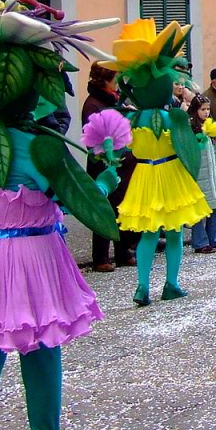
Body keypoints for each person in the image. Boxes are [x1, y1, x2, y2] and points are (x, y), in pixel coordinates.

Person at [0, 0, 118, 430]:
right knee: (42, 347)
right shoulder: (40, 145)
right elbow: (78, 197)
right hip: (34, 252)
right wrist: (108, 179)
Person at [99, 19, 210, 307]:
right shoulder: (173, 117)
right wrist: (201, 139)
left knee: (148, 235)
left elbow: (121, 149)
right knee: (173, 233)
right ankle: (171, 283)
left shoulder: (133, 118)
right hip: (170, 173)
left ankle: (142, 285)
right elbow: (186, 145)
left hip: (145, 174)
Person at [81, 62, 139, 273]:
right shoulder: (93, 104)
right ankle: (101, 257)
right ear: (105, 79)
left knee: (121, 207)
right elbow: (92, 137)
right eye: (115, 79)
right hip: (104, 164)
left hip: (123, 163)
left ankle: (123, 252)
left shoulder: (114, 100)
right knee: (104, 209)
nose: (118, 84)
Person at [187, 95, 216, 254]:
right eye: (202, 109)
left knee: (215, 207)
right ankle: (200, 242)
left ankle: (214, 238)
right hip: (198, 175)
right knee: (199, 210)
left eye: (208, 109)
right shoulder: (191, 128)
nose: (206, 112)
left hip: (211, 175)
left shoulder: (210, 128)